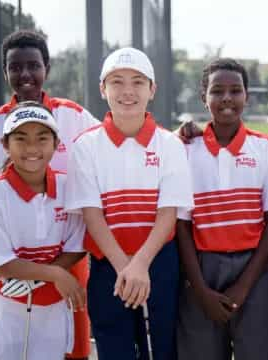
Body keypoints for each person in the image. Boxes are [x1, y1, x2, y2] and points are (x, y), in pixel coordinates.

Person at [0, 30, 98, 360]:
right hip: (12, 264)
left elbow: (115, 140)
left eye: (33, 66)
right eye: (15, 67)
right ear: (5, 71)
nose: (25, 75)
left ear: (47, 68)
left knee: (71, 348)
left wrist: (183, 136)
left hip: (69, 257)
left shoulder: (73, 115)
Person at [65, 47, 194, 360]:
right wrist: (126, 267)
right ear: (102, 89)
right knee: (115, 350)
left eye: (137, 82)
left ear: (152, 89)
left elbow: (168, 214)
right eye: (117, 82)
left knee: (163, 350)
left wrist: (140, 264)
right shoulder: (86, 146)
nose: (127, 91)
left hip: (160, 263)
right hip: (109, 265)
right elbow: (92, 215)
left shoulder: (169, 144)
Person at [176, 58, 268, 360]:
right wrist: (199, 289)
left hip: (255, 269)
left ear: (246, 96)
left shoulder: (264, 147)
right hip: (200, 271)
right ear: (204, 98)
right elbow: (181, 225)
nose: (227, 98)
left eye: (235, 90)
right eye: (217, 91)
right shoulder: (184, 149)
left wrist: (244, 286)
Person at [0, 102, 86, 360]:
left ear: (56, 143)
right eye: (21, 139)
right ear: (5, 145)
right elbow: (0, 263)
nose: (32, 148)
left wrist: (41, 279)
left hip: (53, 306)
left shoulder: (68, 186)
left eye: (42, 138)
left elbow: (77, 245)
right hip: (7, 307)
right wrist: (54, 273)